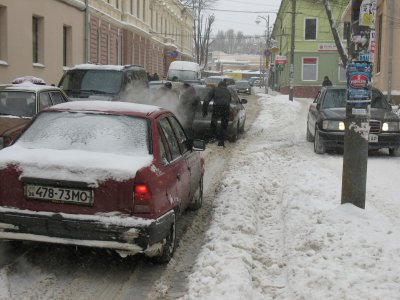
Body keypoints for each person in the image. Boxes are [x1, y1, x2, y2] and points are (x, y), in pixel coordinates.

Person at [202, 80, 232, 147]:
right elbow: (230, 100)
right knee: (224, 125)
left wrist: (204, 110)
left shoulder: (214, 89)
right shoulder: (228, 91)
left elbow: (206, 100)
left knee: (213, 123)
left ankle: (212, 138)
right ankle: (222, 141)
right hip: (226, 109)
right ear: (225, 86)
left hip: (217, 108)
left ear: (218, 85)